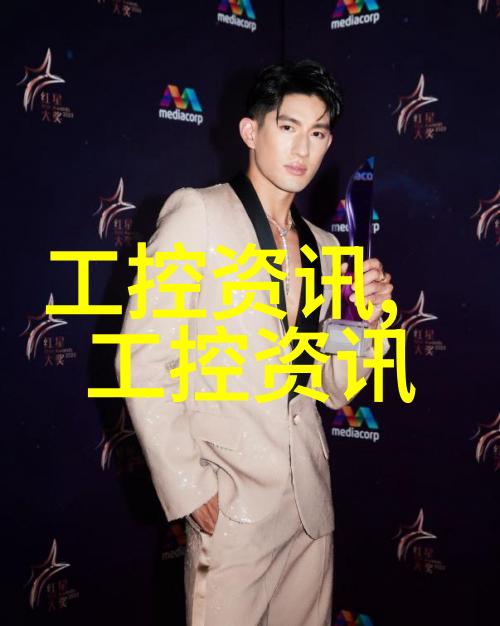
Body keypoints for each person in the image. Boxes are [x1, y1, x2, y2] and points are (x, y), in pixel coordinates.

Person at [117, 59, 393, 626]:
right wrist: (190, 486)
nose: (302, 149)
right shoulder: (199, 214)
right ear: (250, 130)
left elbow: (330, 386)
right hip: (232, 509)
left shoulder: (323, 245)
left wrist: (364, 325)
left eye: (318, 133)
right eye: (288, 127)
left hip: (310, 509)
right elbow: (143, 359)